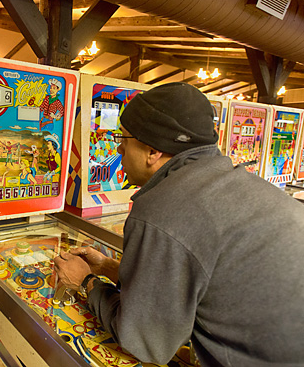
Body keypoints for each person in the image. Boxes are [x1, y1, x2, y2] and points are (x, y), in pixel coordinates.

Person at [53, 82, 304, 366]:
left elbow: (146, 343)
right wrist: (111, 268)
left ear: (152, 151)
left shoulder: (161, 209)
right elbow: (201, 280)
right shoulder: (237, 182)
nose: (119, 147)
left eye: (124, 138)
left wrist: (87, 282)